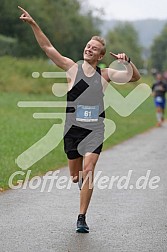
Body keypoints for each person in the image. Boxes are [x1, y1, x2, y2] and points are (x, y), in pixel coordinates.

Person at [18, 6, 141, 233]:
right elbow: (47, 47)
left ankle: (82, 217)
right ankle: (81, 184)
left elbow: (134, 78)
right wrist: (34, 24)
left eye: (94, 49)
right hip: (72, 128)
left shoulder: (105, 75)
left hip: (95, 128)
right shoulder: (71, 68)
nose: (89, 50)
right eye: (88, 46)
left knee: (89, 168)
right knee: (76, 176)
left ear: (101, 56)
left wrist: (127, 61)